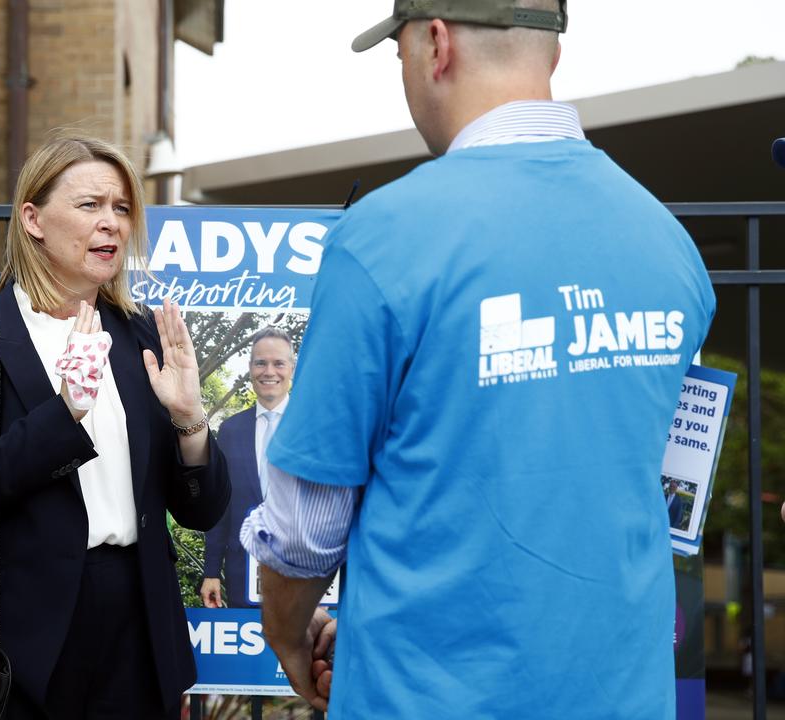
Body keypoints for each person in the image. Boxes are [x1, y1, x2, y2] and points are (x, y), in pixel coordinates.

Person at [241, 1, 717, 717]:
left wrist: (286, 634)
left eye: (398, 52)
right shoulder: (665, 239)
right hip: (623, 694)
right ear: (552, 52)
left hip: (427, 695)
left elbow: (307, 531)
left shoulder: (381, 239)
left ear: (435, 45)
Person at [0, 135, 231, 719]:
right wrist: (64, 415)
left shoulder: (139, 336)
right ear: (33, 219)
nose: (111, 223)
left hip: (138, 634)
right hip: (22, 645)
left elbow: (201, 513)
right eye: (90, 205)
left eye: (122, 207)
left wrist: (190, 419)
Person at [201, 327, 295, 608]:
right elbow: (220, 506)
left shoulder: (313, 427)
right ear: (251, 368)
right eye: (260, 363)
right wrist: (211, 571)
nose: (269, 371)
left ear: (292, 368)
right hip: (243, 573)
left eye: (278, 363)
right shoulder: (230, 430)